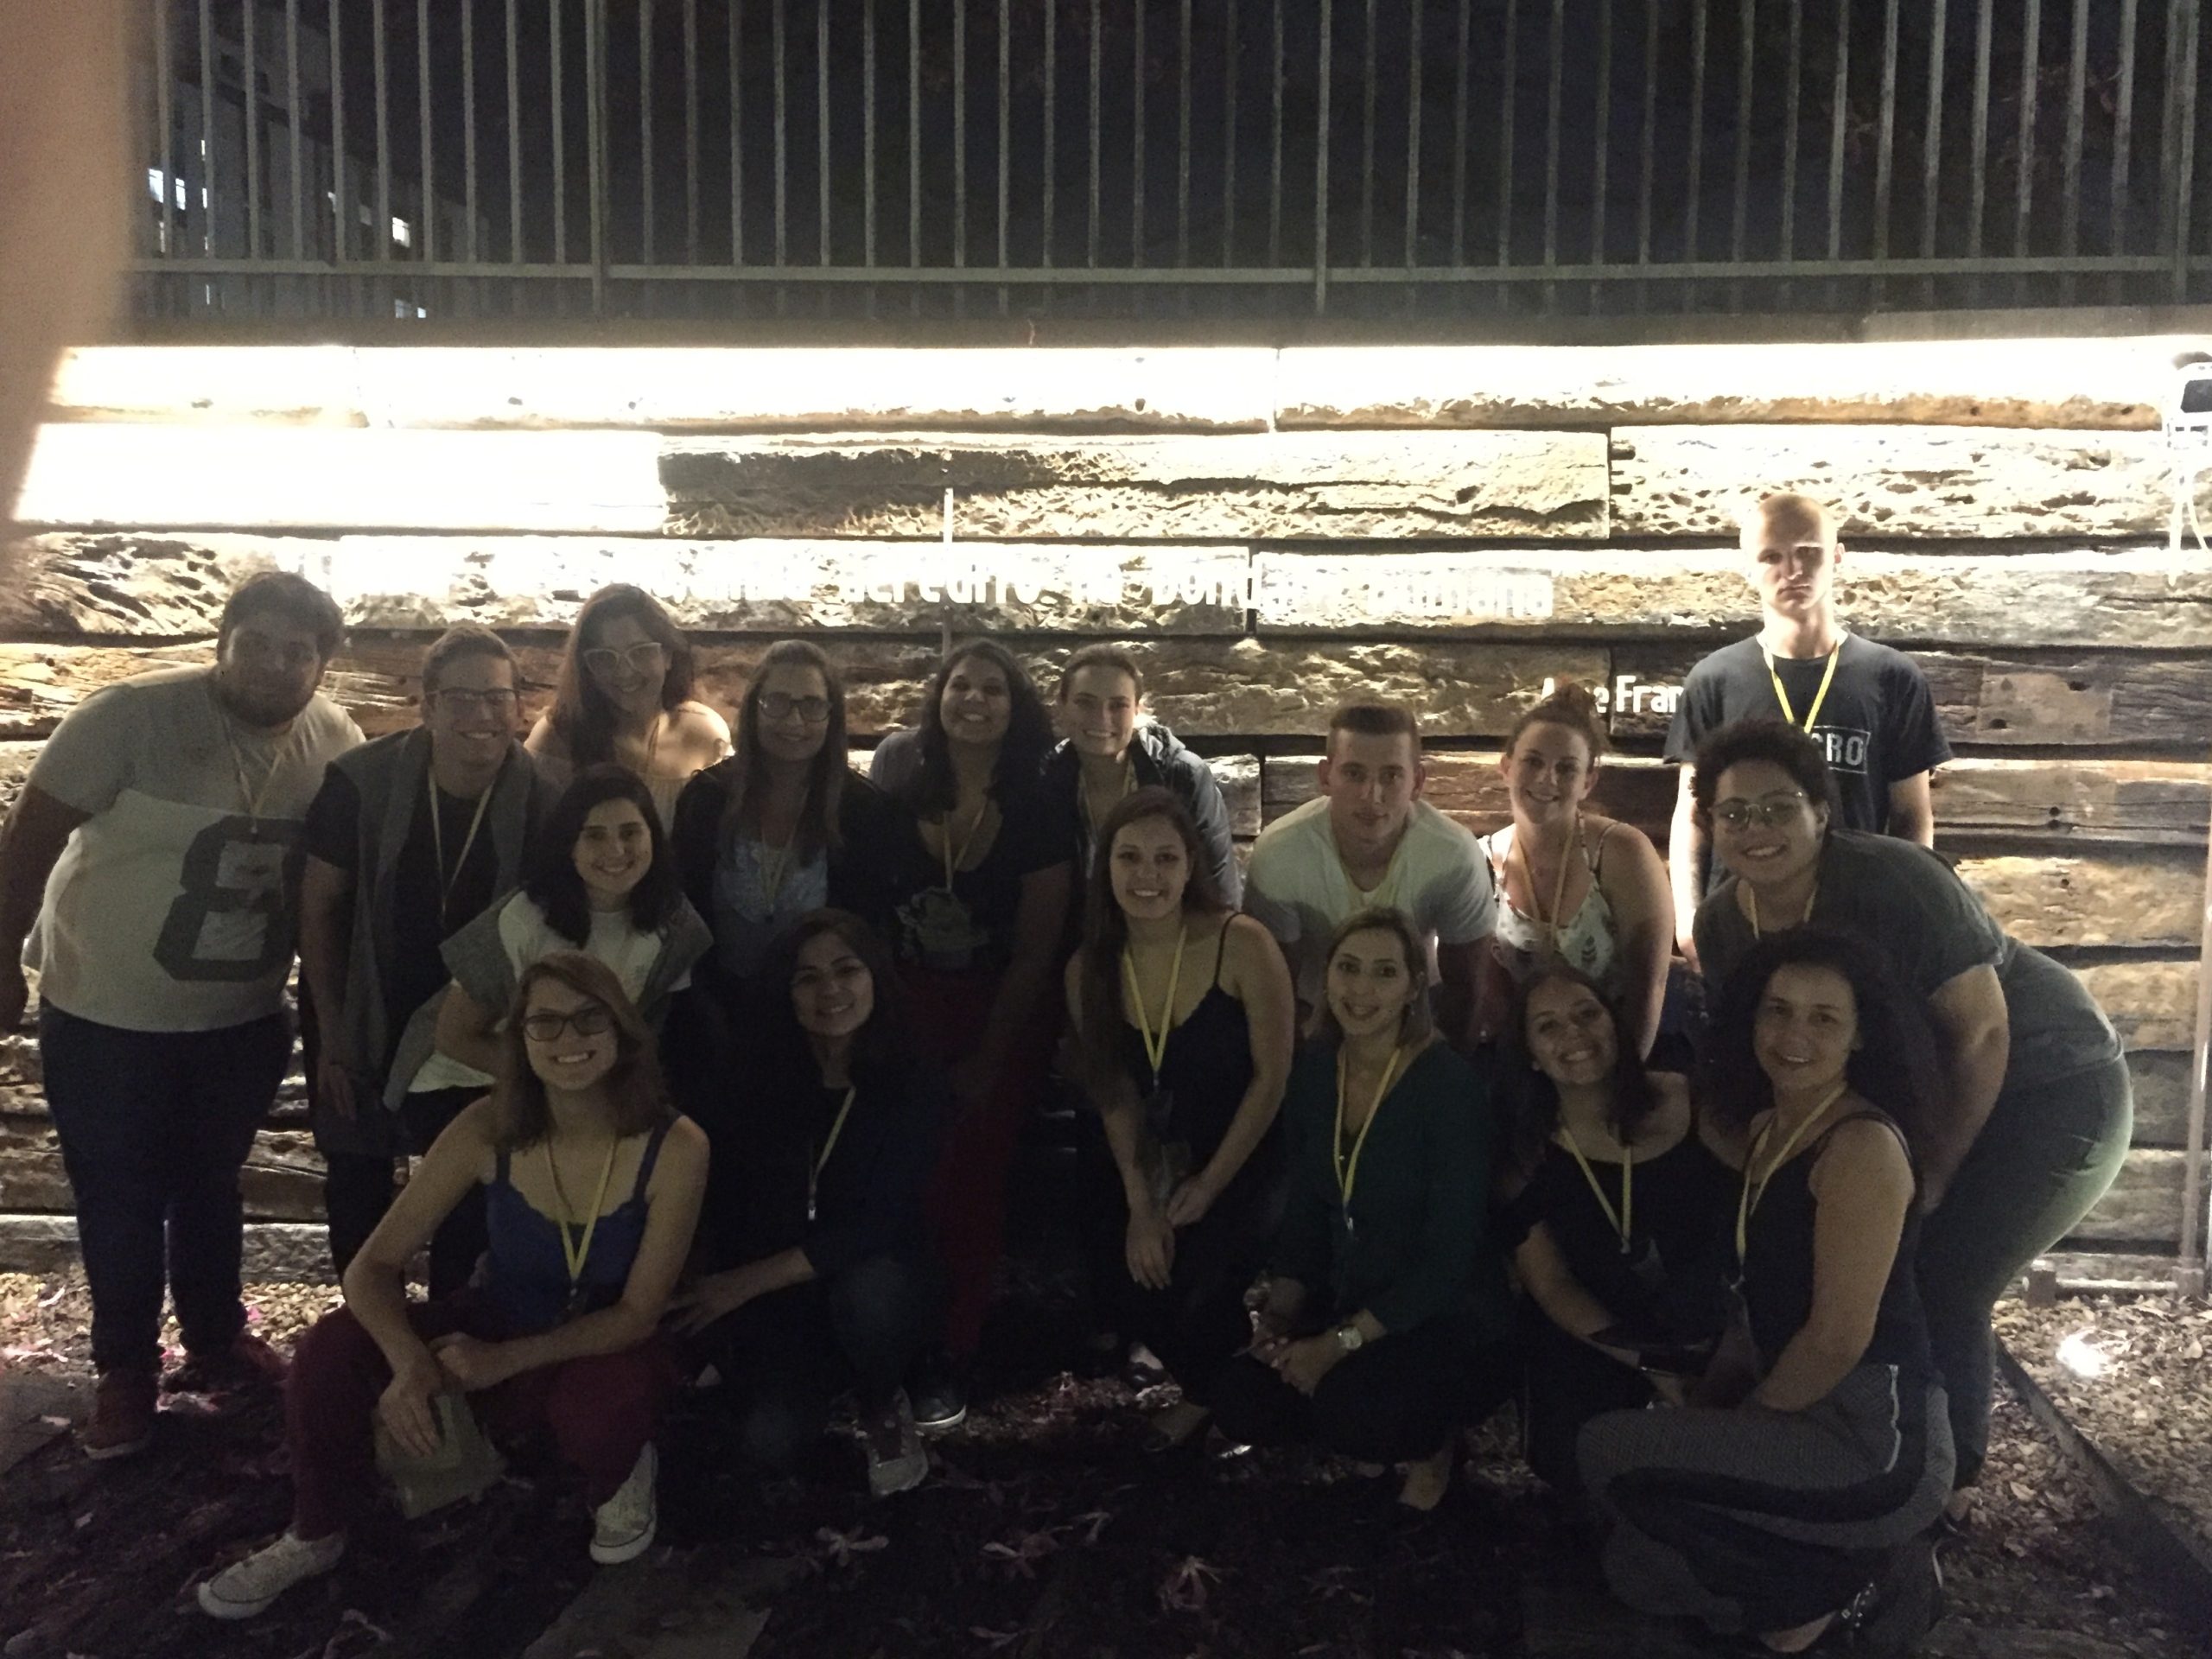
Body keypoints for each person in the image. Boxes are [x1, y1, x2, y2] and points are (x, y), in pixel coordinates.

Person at [1690, 719, 2131, 1503]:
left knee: (1943, 1270)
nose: (1757, 829)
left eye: (1779, 808)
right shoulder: (1724, 923)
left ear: (1821, 812)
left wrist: (1931, 1175)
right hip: (1921, 1098)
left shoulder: (1896, 881)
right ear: (1711, 825)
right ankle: (1852, 1440)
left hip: (2050, 1085)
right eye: (1735, 813)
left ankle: (1940, 1490)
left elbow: (1982, 1033)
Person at [194, 953, 709, 1620]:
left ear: (622, 1032)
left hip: (604, 1338)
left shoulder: (677, 1145)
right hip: (500, 1313)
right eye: (545, 1023)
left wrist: (504, 1361)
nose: (568, 1039)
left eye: (590, 1019)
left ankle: (621, 1466)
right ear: (519, 1039)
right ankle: (317, 1528)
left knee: (603, 1403)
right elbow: (372, 1268)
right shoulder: (485, 1127)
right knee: (331, 1347)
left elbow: (639, 1313)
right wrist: (410, 1361)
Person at [0, 572, 361, 1459]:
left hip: (239, 1015)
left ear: (324, 663)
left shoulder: (333, 742)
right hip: (107, 1011)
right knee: (118, 1194)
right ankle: (125, 1368)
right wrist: (1, 958)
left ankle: (214, 1334)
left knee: (211, 1183)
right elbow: (29, 842)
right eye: (256, 644)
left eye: (297, 652)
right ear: (222, 641)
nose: (274, 666)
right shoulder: (127, 718)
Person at [1579, 931, 1954, 1653]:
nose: (1793, 1036)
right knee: (1632, 1564)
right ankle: (1800, 1601)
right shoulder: (1769, 1130)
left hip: (1875, 1440)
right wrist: (1713, 1403)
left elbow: (1838, 1337)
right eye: (1777, 1011)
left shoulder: (1861, 1147)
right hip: (1808, 1407)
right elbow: (1754, 1301)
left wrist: (1747, 1421)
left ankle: (1860, 1592)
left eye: (1824, 1018)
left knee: (1609, 1452)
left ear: (1861, 1035)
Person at [1211, 909, 1512, 1512]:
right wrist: (1281, 1314)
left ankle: (1433, 1446)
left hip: (1440, 1312)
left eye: (1384, 973)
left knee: (1358, 1412)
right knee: (1241, 1395)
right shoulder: (1317, 1069)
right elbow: (1307, 1203)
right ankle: (1360, 1415)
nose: (1361, 989)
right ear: (1326, 978)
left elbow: (1449, 1256)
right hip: (1347, 1291)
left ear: (1413, 988)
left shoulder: (1446, 1086)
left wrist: (1335, 1345)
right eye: (1347, 968)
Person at [299, 625, 558, 1288]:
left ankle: (445, 1331)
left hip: (475, 1023)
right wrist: (332, 1034)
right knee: (357, 1179)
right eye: (461, 697)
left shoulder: (544, 798)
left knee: (468, 1191)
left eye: (497, 697)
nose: (482, 714)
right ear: (428, 705)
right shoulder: (360, 782)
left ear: (519, 706)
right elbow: (320, 906)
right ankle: (367, 1328)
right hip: (367, 1003)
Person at [868, 639, 1074, 1427]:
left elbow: (1036, 949)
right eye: (961, 686)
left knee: (969, 1169)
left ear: (1016, 709)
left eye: (993, 689)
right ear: (939, 698)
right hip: (907, 1008)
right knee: (899, 1166)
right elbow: (875, 920)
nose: (974, 700)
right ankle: (882, 1331)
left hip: (1002, 1010)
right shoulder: (902, 791)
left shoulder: (1038, 806)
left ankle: (949, 1348)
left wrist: (989, 1057)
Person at [673, 910, 944, 1497]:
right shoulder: (751, 1076)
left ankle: (882, 1399)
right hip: (779, 1288)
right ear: (785, 992)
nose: (831, 991)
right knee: (768, 1441)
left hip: (870, 1274)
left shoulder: (913, 1081)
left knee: (873, 1294)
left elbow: (876, 1224)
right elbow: (715, 1188)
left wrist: (740, 1285)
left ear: (875, 977)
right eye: (808, 978)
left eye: (847, 970)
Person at [1064, 790, 1295, 1448]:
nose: (1148, 876)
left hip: (1248, 1149)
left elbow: (1272, 1078)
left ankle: (1224, 1395)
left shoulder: (1241, 944)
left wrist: (1211, 1184)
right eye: (1129, 857)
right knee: (1124, 1276)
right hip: (1156, 1152)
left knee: (1197, 1283)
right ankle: (1216, 1382)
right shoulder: (1089, 968)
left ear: (1191, 864)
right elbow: (1114, 1091)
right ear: (1105, 867)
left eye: (1166, 858)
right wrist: (1141, 1205)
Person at [1664, 493, 1950, 965]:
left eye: (1808, 553)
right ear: (1749, 568)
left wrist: (1906, 907)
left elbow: (1911, 814)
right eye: (1771, 557)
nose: (1792, 570)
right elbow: (1693, 813)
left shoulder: (1893, 677)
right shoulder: (1715, 679)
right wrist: (1689, 920)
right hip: (1740, 919)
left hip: (1857, 920)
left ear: (1836, 556)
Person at [1498, 967, 1734, 1492]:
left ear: (1616, 1024)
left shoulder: (1692, 1101)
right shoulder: (1524, 1152)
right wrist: (1655, 1366)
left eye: (1588, 1014)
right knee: (1572, 1455)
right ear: (1530, 1054)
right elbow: (1552, 1285)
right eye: (1548, 1026)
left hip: (1708, 1318)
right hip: (1597, 1330)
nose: (1574, 1034)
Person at [404, 766, 712, 1098]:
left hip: (586, 1084)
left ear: (653, 836)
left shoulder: (676, 925)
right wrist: (557, 1089)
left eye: (630, 832)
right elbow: (455, 1037)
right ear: (569, 845)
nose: (616, 850)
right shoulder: (524, 918)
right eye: (595, 836)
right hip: (477, 1082)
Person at [1243, 702, 1496, 1049]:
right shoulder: (1281, 854)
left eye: (1391, 776)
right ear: (1325, 777)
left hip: (1416, 1015)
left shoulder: (1454, 855)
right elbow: (1273, 990)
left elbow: (1468, 989)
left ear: (1417, 782)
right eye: (1354, 774)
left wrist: (1435, 1065)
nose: (1371, 796)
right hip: (1312, 1016)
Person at [671, 639, 906, 1001]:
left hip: (825, 1009)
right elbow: (684, 914)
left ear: (831, 716)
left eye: (811, 705)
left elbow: (868, 932)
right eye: (777, 702)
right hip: (717, 1008)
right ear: (755, 709)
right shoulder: (707, 799)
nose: (794, 720)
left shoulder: (862, 810)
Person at [1477, 683, 1673, 1058]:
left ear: (1587, 782)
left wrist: (1621, 1080)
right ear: (1506, 768)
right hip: (1530, 1060)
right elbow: (1490, 1000)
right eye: (1533, 762)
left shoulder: (1620, 852)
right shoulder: (1483, 862)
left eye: (1566, 768)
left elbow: (1649, 986)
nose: (1547, 779)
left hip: (1623, 1053)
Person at [1040, 645, 1238, 903]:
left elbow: (1218, 894)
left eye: (1118, 705)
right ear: (1062, 705)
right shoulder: (1045, 779)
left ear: (1137, 710)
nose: (1102, 718)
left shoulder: (1183, 776)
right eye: (1085, 702)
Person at [526, 584, 731, 828]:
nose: (624, 671)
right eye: (604, 656)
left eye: (640, 652)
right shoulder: (556, 738)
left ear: (667, 656)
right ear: (587, 667)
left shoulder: (705, 734)